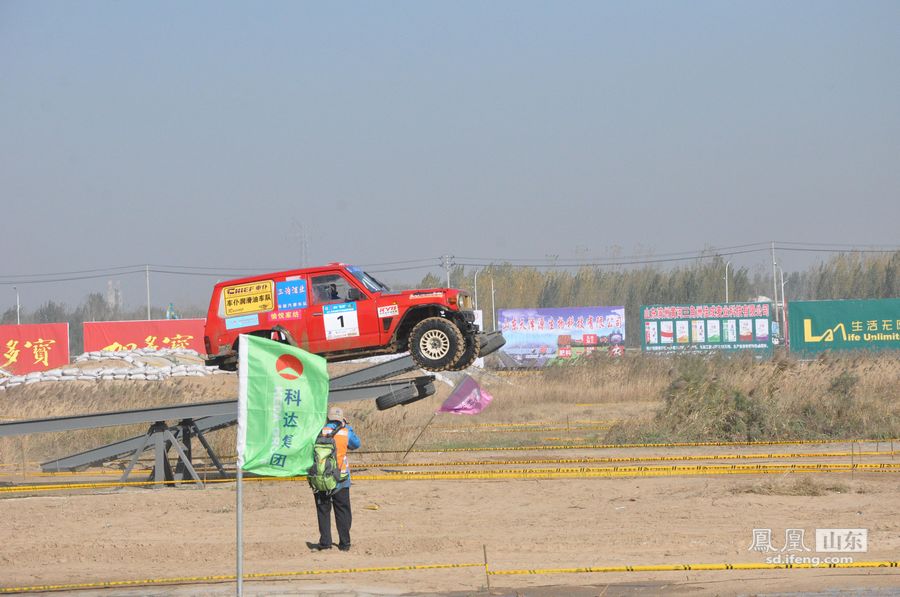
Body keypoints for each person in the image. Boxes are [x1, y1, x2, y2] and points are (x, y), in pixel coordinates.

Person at [308, 406, 360, 552]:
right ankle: (344, 544)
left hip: (321, 477)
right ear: (341, 419)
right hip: (341, 478)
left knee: (323, 510)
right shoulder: (345, 431)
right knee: (342, 510)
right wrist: (348, 426)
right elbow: (356, 444)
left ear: (328, 418)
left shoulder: (318, 430)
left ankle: (325, 543)